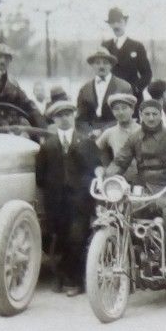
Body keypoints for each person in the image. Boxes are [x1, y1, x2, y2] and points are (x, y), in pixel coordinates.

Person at [35, 97, 98, 293]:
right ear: (54, 120)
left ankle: (77, 281)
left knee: (77, 239)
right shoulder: (48, 146)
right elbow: (40, 177)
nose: (64, 119)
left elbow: (94, 171)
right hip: (57, 203)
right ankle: (62, 278)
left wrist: (86, 193)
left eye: (68, 114)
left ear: (74, 116)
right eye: (60, 116)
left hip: (80, 201)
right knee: (60, 240)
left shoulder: (86, 142)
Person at [110, 97, 166, 190]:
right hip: (142, 187)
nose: (151, 118)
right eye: (147, 114)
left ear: (161, 115)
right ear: (141, 115)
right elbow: (119, 163)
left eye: (155, 114)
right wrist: (107, 180)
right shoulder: (134, 138)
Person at [76, 46, 134, 132]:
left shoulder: (124, 87)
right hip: (91, 134)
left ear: (111, 65)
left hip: (116, 132)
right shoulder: (85, 89)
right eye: (97, 63)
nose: (101, 66)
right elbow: (81, 119)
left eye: (105, 63)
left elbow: (127, 116)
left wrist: (104, 131)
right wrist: (90, 132)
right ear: (92, 65)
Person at [102, 7, 153, 99]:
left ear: (125, 22)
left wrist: (135, 88)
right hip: (111, 97)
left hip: (133, 97)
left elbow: (147, 74)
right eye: (112, 22)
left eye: (119, 21)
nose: (116, 25)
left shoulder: (137, 46)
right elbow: (101, 73)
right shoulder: (105, 46)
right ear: (109, 25)